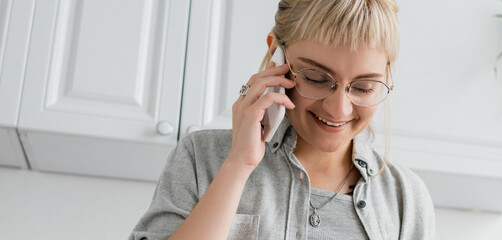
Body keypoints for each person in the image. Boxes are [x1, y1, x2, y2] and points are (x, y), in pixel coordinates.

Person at [128, 0, 436, 239]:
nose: (339, 109)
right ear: (276, 55)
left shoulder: (405, 198)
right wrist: (238, 166)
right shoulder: (202, 159)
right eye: (315, 77)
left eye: (363, 87)